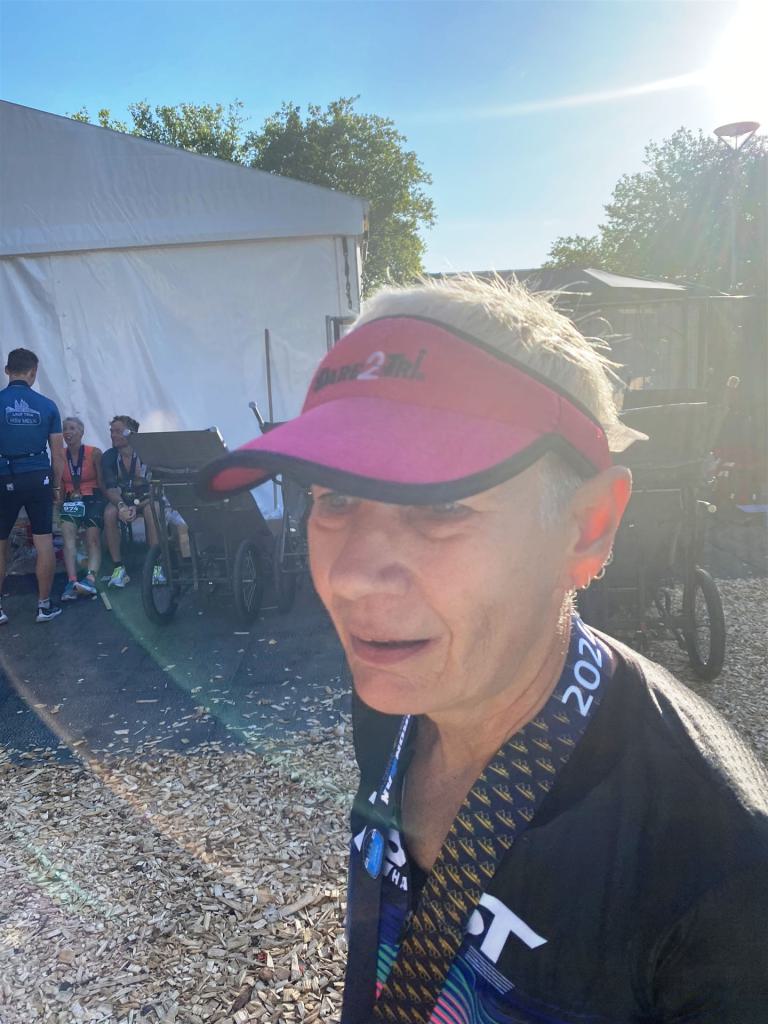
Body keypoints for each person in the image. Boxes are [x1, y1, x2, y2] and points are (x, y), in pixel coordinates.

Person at [199, 277, 768, 1023]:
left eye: (439, 506)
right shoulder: (399, 696)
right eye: (334, 498)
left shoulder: (717, 868)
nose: (350, 575)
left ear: (588, 526)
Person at [0, 348, 64, 624]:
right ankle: (44, 606)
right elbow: (58, 453)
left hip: (4, 475)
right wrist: (57, 487)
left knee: (0, 543)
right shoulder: (47, 405)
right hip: (39, 476)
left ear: (7, 370)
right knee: (44, 540)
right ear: (33, 373)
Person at [101, 415, 159, 588]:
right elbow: (111, 488)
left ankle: (157, 565)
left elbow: (156, 487)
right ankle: (118, 568)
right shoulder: (109, 456)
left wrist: (137, 505)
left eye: (118, 431)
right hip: (124, 499)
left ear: (131, 433)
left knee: (152, 511)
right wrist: (121, 506)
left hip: (147, 498)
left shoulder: (147, 453)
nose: (113, 435)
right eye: (111, 431)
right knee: (109, 513)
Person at [58, 416, 105, 600]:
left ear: (81, 432)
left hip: (93, 497)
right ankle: (72, 581)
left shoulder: (94, 453)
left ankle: (90, 579)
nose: (67, 432)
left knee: (92, 537)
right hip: (71, 499)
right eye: (65, 429)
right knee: (67, 534)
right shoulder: (60, 455)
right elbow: (60, 484)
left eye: (72, 428)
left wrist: (108, 502)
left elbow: (102, 482)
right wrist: (59, 505)